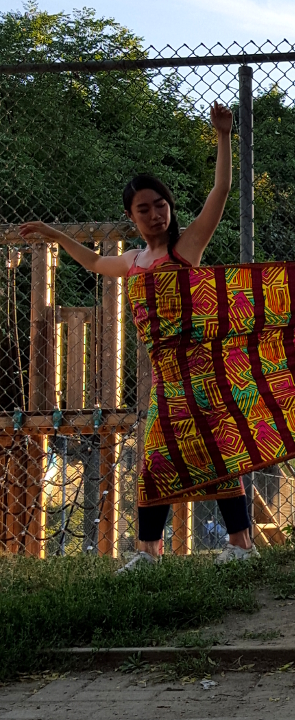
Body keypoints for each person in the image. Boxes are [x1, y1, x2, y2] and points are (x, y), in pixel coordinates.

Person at [19, 102, 259, 569]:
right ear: (132, 216)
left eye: (161, 205)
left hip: (204, 374)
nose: (155, 215)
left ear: (170, 209)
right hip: (166, 381)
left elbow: (222, 190)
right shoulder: (132, 262)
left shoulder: (187, 247)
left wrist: (224, 137)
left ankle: (240, 547)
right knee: (157, 460)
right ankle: (149, 553)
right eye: (144, 209)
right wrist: (51, 233)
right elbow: (92, 262)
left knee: (216, 451)